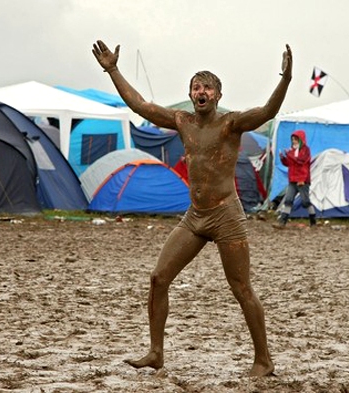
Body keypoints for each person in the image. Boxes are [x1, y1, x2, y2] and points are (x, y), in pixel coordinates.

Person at [92, 39, 292, 377]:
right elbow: (140, 105)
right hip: (195, 216)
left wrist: (284, 80)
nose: (201, 92)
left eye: (207, 88)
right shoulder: (182, 121)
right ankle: (156, 352)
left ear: (217, 95)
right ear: (191, 94)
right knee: (158, 278)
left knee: (241, 288)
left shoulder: (231, 124)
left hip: (227, 216)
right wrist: (112, 69)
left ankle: (264, 360)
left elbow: (267, 112)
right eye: (196, 87)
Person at [275, 130, 316, 227]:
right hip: (292, 180)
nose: (294, 141)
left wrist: (289, 155)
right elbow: (289, 164)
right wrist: (283, 158)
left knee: (305, 201)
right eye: (293, 139)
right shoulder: (292, 151)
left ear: (300, 140)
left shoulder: (306, 150)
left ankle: (313, 220)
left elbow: (301, 162)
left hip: (302, 180)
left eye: (296, 139)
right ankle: (282, 222)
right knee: (288, 200)